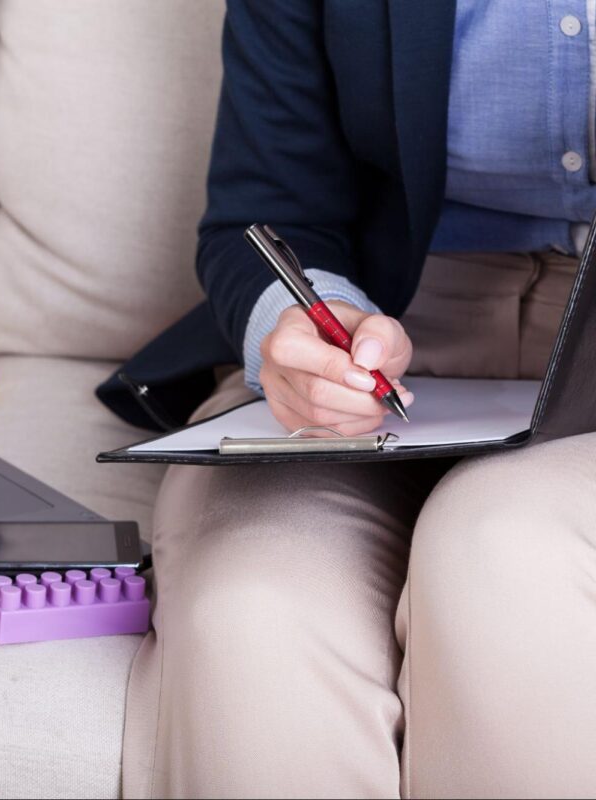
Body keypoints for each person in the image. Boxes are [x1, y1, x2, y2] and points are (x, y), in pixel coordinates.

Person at [97, 3, 596, 797]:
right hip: (394, 314)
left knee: (501, 550)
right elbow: (263, 208)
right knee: (252, 610)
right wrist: (300, 323)